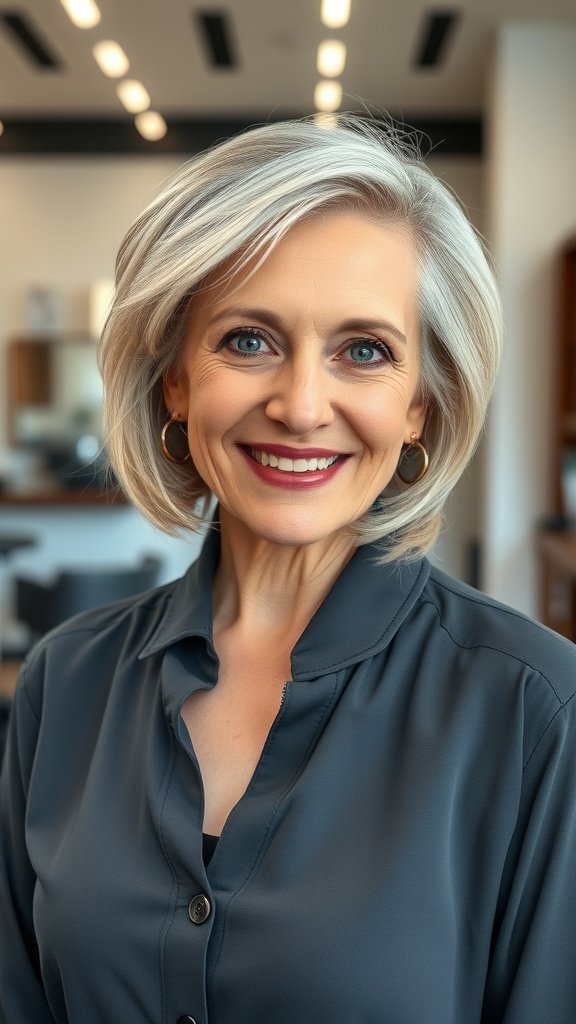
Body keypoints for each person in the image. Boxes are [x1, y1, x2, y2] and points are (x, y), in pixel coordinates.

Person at [1, 115, 575, 1024]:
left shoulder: (535, 709)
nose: (302, 405)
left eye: (365, 352)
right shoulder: (65, 681)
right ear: (176, 382)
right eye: (248, 340)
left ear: (422, 404)